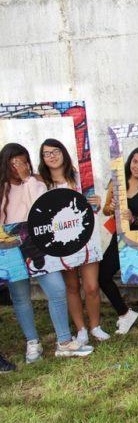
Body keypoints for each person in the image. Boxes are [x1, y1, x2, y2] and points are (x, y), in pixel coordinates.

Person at [0, 143, 93, 361]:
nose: (18, 166)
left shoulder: (36, 182)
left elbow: (39, 210)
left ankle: (63, 341)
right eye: (13, 163)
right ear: (5, 165)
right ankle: (32, 343)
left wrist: (27, 180)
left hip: (38, 246)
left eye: (23, 161)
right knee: (21, 296)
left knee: (57, 289)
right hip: (11, 249)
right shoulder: (2, 188)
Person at [37, 138, 109, 344]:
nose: (52, 155)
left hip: (86, 239)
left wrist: (97, 202)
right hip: (61, 242)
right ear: (42, 159)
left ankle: (96, 326)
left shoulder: (81, 178)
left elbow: (93, 208)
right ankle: (81, 330)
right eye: (46, 153)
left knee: (92, 286)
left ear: (64, 152)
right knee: (71, 287)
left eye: (55, 151)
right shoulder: (42, 184)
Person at [99, 147, 138, 334]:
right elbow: (105, 210)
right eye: (135, 161)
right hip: (119, 236)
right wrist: (110, 208)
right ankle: (125, 313)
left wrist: (135, 219)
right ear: (129, 162)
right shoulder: (117, 182)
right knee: (102, 276)